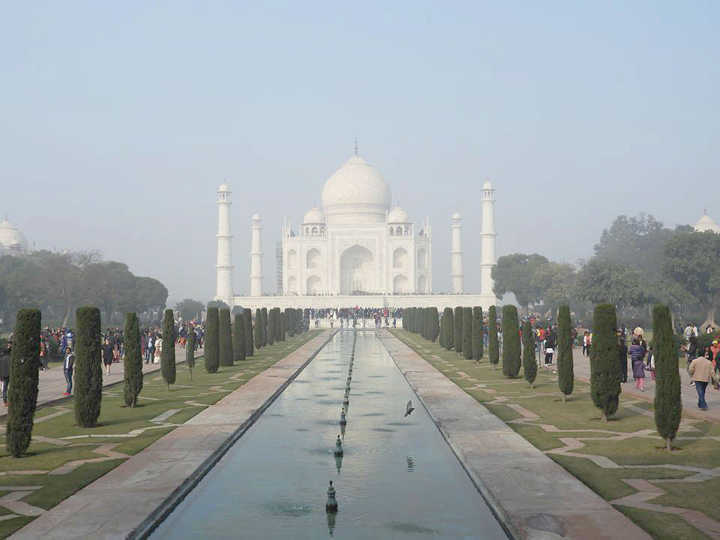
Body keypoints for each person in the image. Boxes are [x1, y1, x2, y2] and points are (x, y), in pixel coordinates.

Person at [0, 341, 10, 406]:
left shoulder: (2, 358)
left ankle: (5, 401)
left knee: (4, 388)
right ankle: (6, 401)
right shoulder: (7, 358)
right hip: (6, 375)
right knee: (5, 388)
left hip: (3, 375)